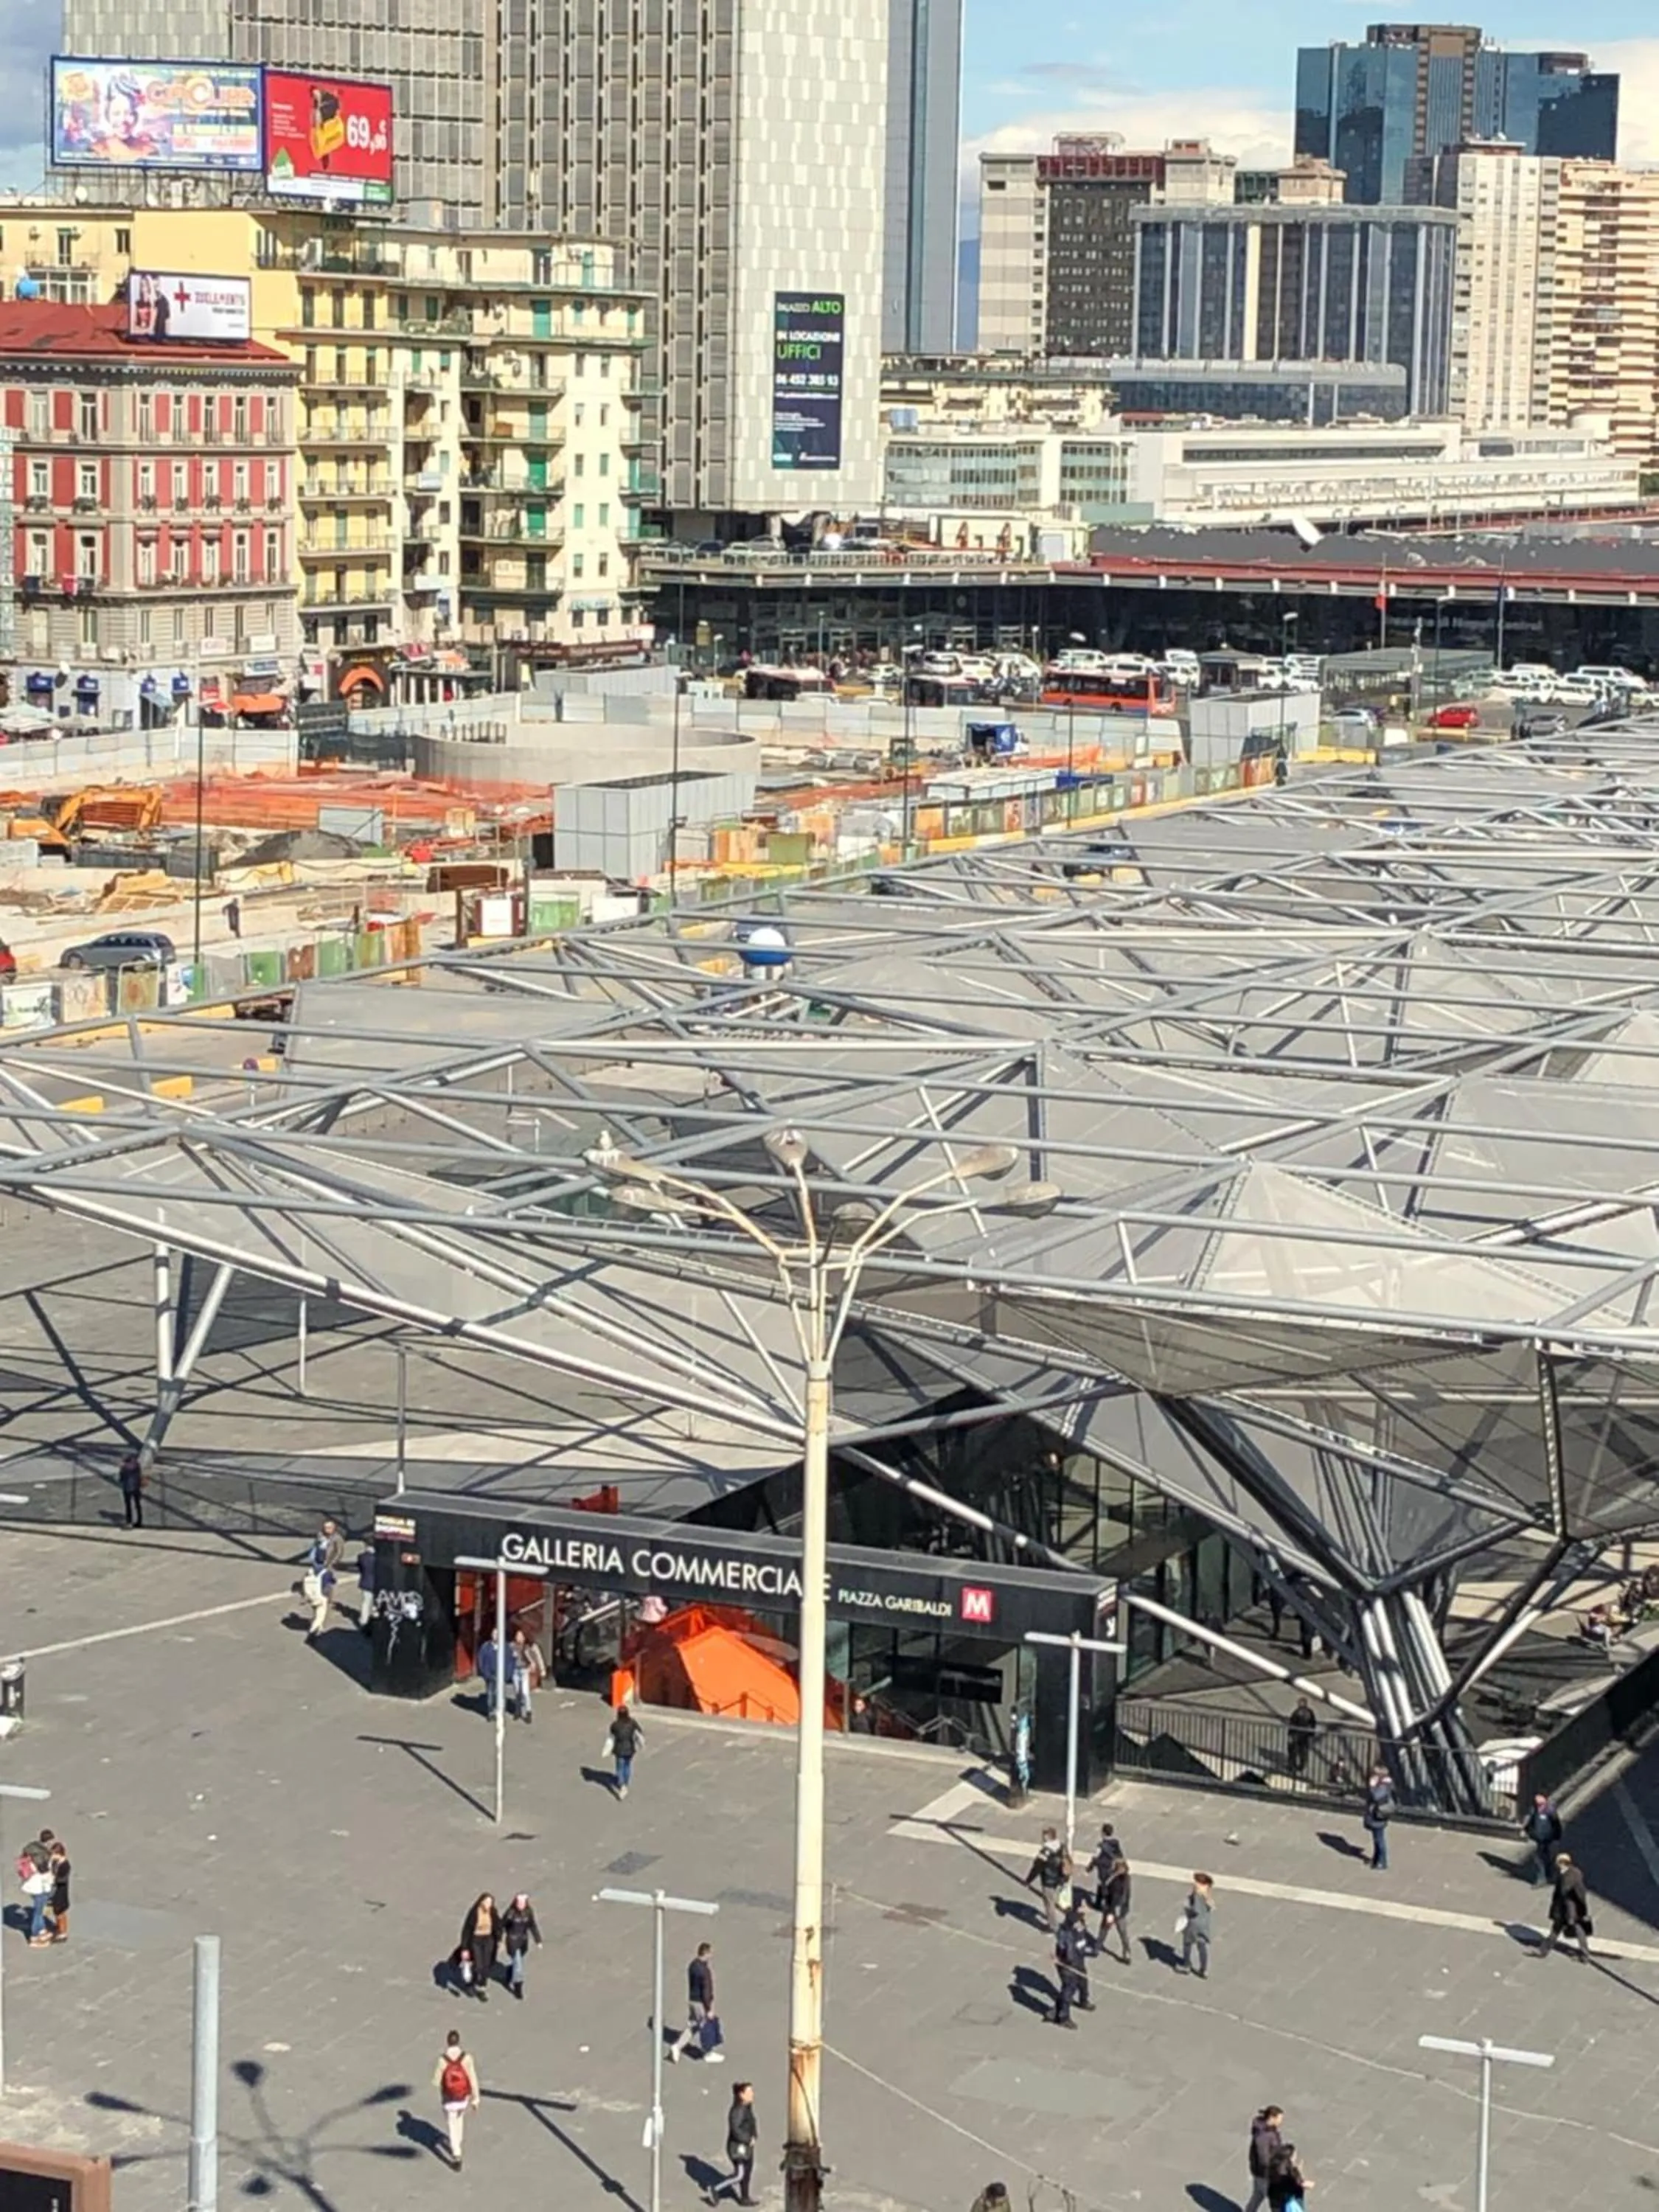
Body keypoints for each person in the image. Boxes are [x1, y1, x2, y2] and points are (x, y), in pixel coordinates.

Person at [669, 1939, 723, 2063]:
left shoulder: (693, 1965)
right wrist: (709, 2008)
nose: (712, 1956)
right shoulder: (704, 1971)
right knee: (706, 2027)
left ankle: (677, 2046)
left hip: (692, 2000)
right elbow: (706, 1990)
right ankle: (708, 2053)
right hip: (700, 2004)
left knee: (693, 2026)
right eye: (710, 1953)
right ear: (706, 1953)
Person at [432, 2030, 479, 2169]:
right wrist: (476, 2099)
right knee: (460, 2119)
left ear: (448, 2042)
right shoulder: (467, 2058)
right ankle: (457, 2142)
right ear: (458, 2041)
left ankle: (456, 2154)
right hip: (463, 2098)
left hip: (449, 2099)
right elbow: (473, 2079)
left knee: (452, 2124)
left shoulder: (442, 2060)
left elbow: (436, 2081)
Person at [706, 2080, 758, 2206]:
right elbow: (736, 2130)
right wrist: (748, 2139)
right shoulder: (737, 2111)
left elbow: (751, 2123)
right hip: (737, 2149)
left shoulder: (746, 2107)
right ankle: (716, 2189)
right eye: (749, 2092)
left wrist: (754, 2135)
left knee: (747, 2172)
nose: (753, 2094)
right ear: (742, 2095)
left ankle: (745, 2197)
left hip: (746, 2147)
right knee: (740, 2175)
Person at [1537, 1851, 1592, 1964]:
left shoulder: (1568, 1877)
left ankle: (1544, 1951)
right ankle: (1584, 1955)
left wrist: (1571, 1913)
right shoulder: (1575, 1872)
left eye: (1558, 1863)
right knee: (1576, 1932)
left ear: (1561, 1864)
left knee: (1557, 1930)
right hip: (1572, 1911)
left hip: (1567, 1911)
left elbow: (1565, 1894)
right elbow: (1581, 1893)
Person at [1051, 1899, 1092, 2028]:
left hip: (1078, 1959)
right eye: (1083, 1907)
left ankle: (1084, 2001)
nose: (1086, 1909)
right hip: (1069, 1964)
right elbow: (1067, 1951)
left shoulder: (1080, 1922)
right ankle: (1063, 2017)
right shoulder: (1067, 1931)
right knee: (1069, 1988)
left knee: (1083, 1981)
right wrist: (1067, 1963)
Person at [1025, 1826, 1073, 1933]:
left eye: (1044, 1836)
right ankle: (1066, 1919)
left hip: (1048, 1880)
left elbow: (1037, 1867)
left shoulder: (1045, 1852)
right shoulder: (1062, 1846)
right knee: (1058, 1900)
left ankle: (1053, 1926)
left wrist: (1028, 1881)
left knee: (1049, 1903)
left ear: (1047, 1837)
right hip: (1060, 1879)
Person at [457, 1893, 501, 1998]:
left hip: (488, 1939)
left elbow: (498, 1925)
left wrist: (499, 1939)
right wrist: (465, 1948)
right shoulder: (474, 1913)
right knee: (478, 1965)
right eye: (487, 1902)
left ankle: (482, 1988)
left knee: (486, 1966)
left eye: (491, 1903)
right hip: (476, 1940)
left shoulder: (493, 1912)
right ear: (481, 1902)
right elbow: (467, 1930)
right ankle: (470, 1983)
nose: (489, 1905)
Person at [500, 1891, 542, 2000]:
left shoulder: (528, 1912)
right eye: (519, 1903)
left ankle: (509, 1972)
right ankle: (517, 1988)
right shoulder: (510, 1913)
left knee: (517, 1962)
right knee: (519, 1966)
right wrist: (500, 1939)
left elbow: (532, 1925)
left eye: (523, 1903)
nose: (521, 1905)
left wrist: (538, 1940)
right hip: (512, 1942)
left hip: (523, 1942)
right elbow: (502, 1925)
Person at [1520, 1791, 1564, 1887]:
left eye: (1540, 1797)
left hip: (1549, 1838)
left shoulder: (1550, 1811)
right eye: (1537, 1797)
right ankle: (1542, 1878)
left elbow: (1557, 1825)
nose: (1538, 1799)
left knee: (1548, 1858)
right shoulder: (1534, 1809)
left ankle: (1549, 1876)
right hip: (1537, 1838)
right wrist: (1525, 1830)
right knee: (1538, 1859)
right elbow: (1530, 1821)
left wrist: (1557, 1838)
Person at [1246, 2106, 1285, 2212]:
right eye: (1279, 2118)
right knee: (1276, 2200)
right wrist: (1275, 2169)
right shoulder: (1264, 2135)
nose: (1281, 2121)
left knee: (1258, 2194)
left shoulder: (1266, 2130)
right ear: (1272, 2118)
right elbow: (1264, 2158)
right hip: (1265, 2172)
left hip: (1259, 2171)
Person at [1096, 1852, 1133, 1965]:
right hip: (1120, 1910)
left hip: (1113, 1910)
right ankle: (1127, 1952)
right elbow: (1126, 1895)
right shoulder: (1126, 1878)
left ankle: (1097, 1947)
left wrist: (1110, 1910)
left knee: (1105, 1928)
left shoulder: (1115, 1879)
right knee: (1122, 1931)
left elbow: (1110, 1894)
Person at [1177, 1872, 1214, 1978]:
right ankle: (1204, 1969)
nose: (1194, 1883)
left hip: (1194, 1924)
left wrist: (1187, 1907)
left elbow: (1194, 1910)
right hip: (1204, 1924)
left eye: (1196, 1882)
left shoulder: (1197, 1895)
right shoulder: (1208, 1896)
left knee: (1187, 1943)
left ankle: (1187, 1965)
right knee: (1202, 1946)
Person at [509, 1627, 545, 1724]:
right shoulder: (512, 1646)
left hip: (524, 1670)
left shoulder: (527, 1647)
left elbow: (537, 1656)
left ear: (524, 1637)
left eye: (521, 1636)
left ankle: (528, 1712)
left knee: (525, 1693)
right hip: (515, 1671)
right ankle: (518, 1711)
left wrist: (540, 1669)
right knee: (517, 1692)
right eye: (517, 1636)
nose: (519, 1638)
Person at [1362, 1766, 1395, 1871]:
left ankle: (1382, 1862)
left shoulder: (1383, 1786)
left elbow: (1377, 1797)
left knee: (1380, 1840)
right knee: (1376, 1840)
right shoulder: (1382, 1784)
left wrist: (1372, 1787)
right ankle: (1376, 1859)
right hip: (1375, 1816)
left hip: (1378, 1816)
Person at [608, 1703, 643, 1798]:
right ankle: (626, 1783)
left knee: (620, 1768)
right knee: (627, 1766)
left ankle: (622, 1785)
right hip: (630, 1749)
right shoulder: (632, 1723)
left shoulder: (615, 1725)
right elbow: (639, 1731)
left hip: (619, 1750)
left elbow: (612, 1734)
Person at [1266, 2141, 1311, 2212]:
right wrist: (1299, 2173)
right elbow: (1299, 2184)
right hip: (1289, 2203)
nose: (1295, 2157)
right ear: (1290, 2157)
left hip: (1275, 2202)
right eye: (1294, 2155)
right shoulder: (1288, 2172)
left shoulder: (1275, 2168)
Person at [21, 1853, 53, 1947]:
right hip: (41, 1894)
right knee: (38, 1914)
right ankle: (35, 1936)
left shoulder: (34, 1870)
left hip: (36, 1893)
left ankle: (41, 1930)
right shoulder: (45, 1874)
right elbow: (48, 1887)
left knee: (39, 1913)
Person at [1287, 1697, 1317, 1781]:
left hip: (1298, 1735)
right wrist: (1311, 1734)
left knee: (1293, 1751)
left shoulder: (1297, 1713)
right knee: (1302, 1751)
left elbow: (1292, 1724)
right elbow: (1313, 1724)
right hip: (1305, 1735)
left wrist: (1290, 1734)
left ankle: (1293, 1766)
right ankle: (1300, 1766)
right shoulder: (1309, 1712)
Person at [47, 1837, 71, 1945]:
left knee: (60, 1912)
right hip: (57, 1891)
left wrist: (54, 1879)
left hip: (61, 1892)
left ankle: (63, 1933)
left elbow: (63, 1879)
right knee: (57, 1912)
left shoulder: (65, 1865)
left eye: (53, 1854)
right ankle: (59, 1928)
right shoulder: (56, 1862)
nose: (52, 1856)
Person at [476, 1630, 504, 1717]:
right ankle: (491, 1711)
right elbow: (481, 1659)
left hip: (499, 1674)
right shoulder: (486, 1646)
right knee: (490, 1693)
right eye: (494, 1634)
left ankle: (497, 1710)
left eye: (497, 1634)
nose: (495, 1636)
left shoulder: (503, 1647)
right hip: (489, 1674)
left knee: (498, 1693)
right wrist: (484, 1672)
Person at [118, 1450, 145, 1529]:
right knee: (138, 1505)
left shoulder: (124, 1467)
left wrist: (121, 1469)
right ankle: (139, 1521)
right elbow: (140, 1475)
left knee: (128, 1506)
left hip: (127, 1488)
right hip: (136, 1487)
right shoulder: (137, 1465)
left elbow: (121, 1478)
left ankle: (129, 1522)